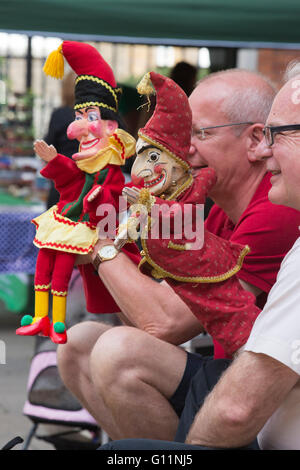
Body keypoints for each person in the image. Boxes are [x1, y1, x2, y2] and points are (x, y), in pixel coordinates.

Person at [57, 69, 300, 441]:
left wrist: (96, 244)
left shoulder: (277, 210)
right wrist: (109, 234)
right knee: (78, 344)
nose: (182, 148)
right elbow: (144, 319)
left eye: (198, 133)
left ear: (255, 140)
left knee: (116, 353)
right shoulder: (222, 207)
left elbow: (163, 323)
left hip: (260, 397)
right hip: (229, 377)